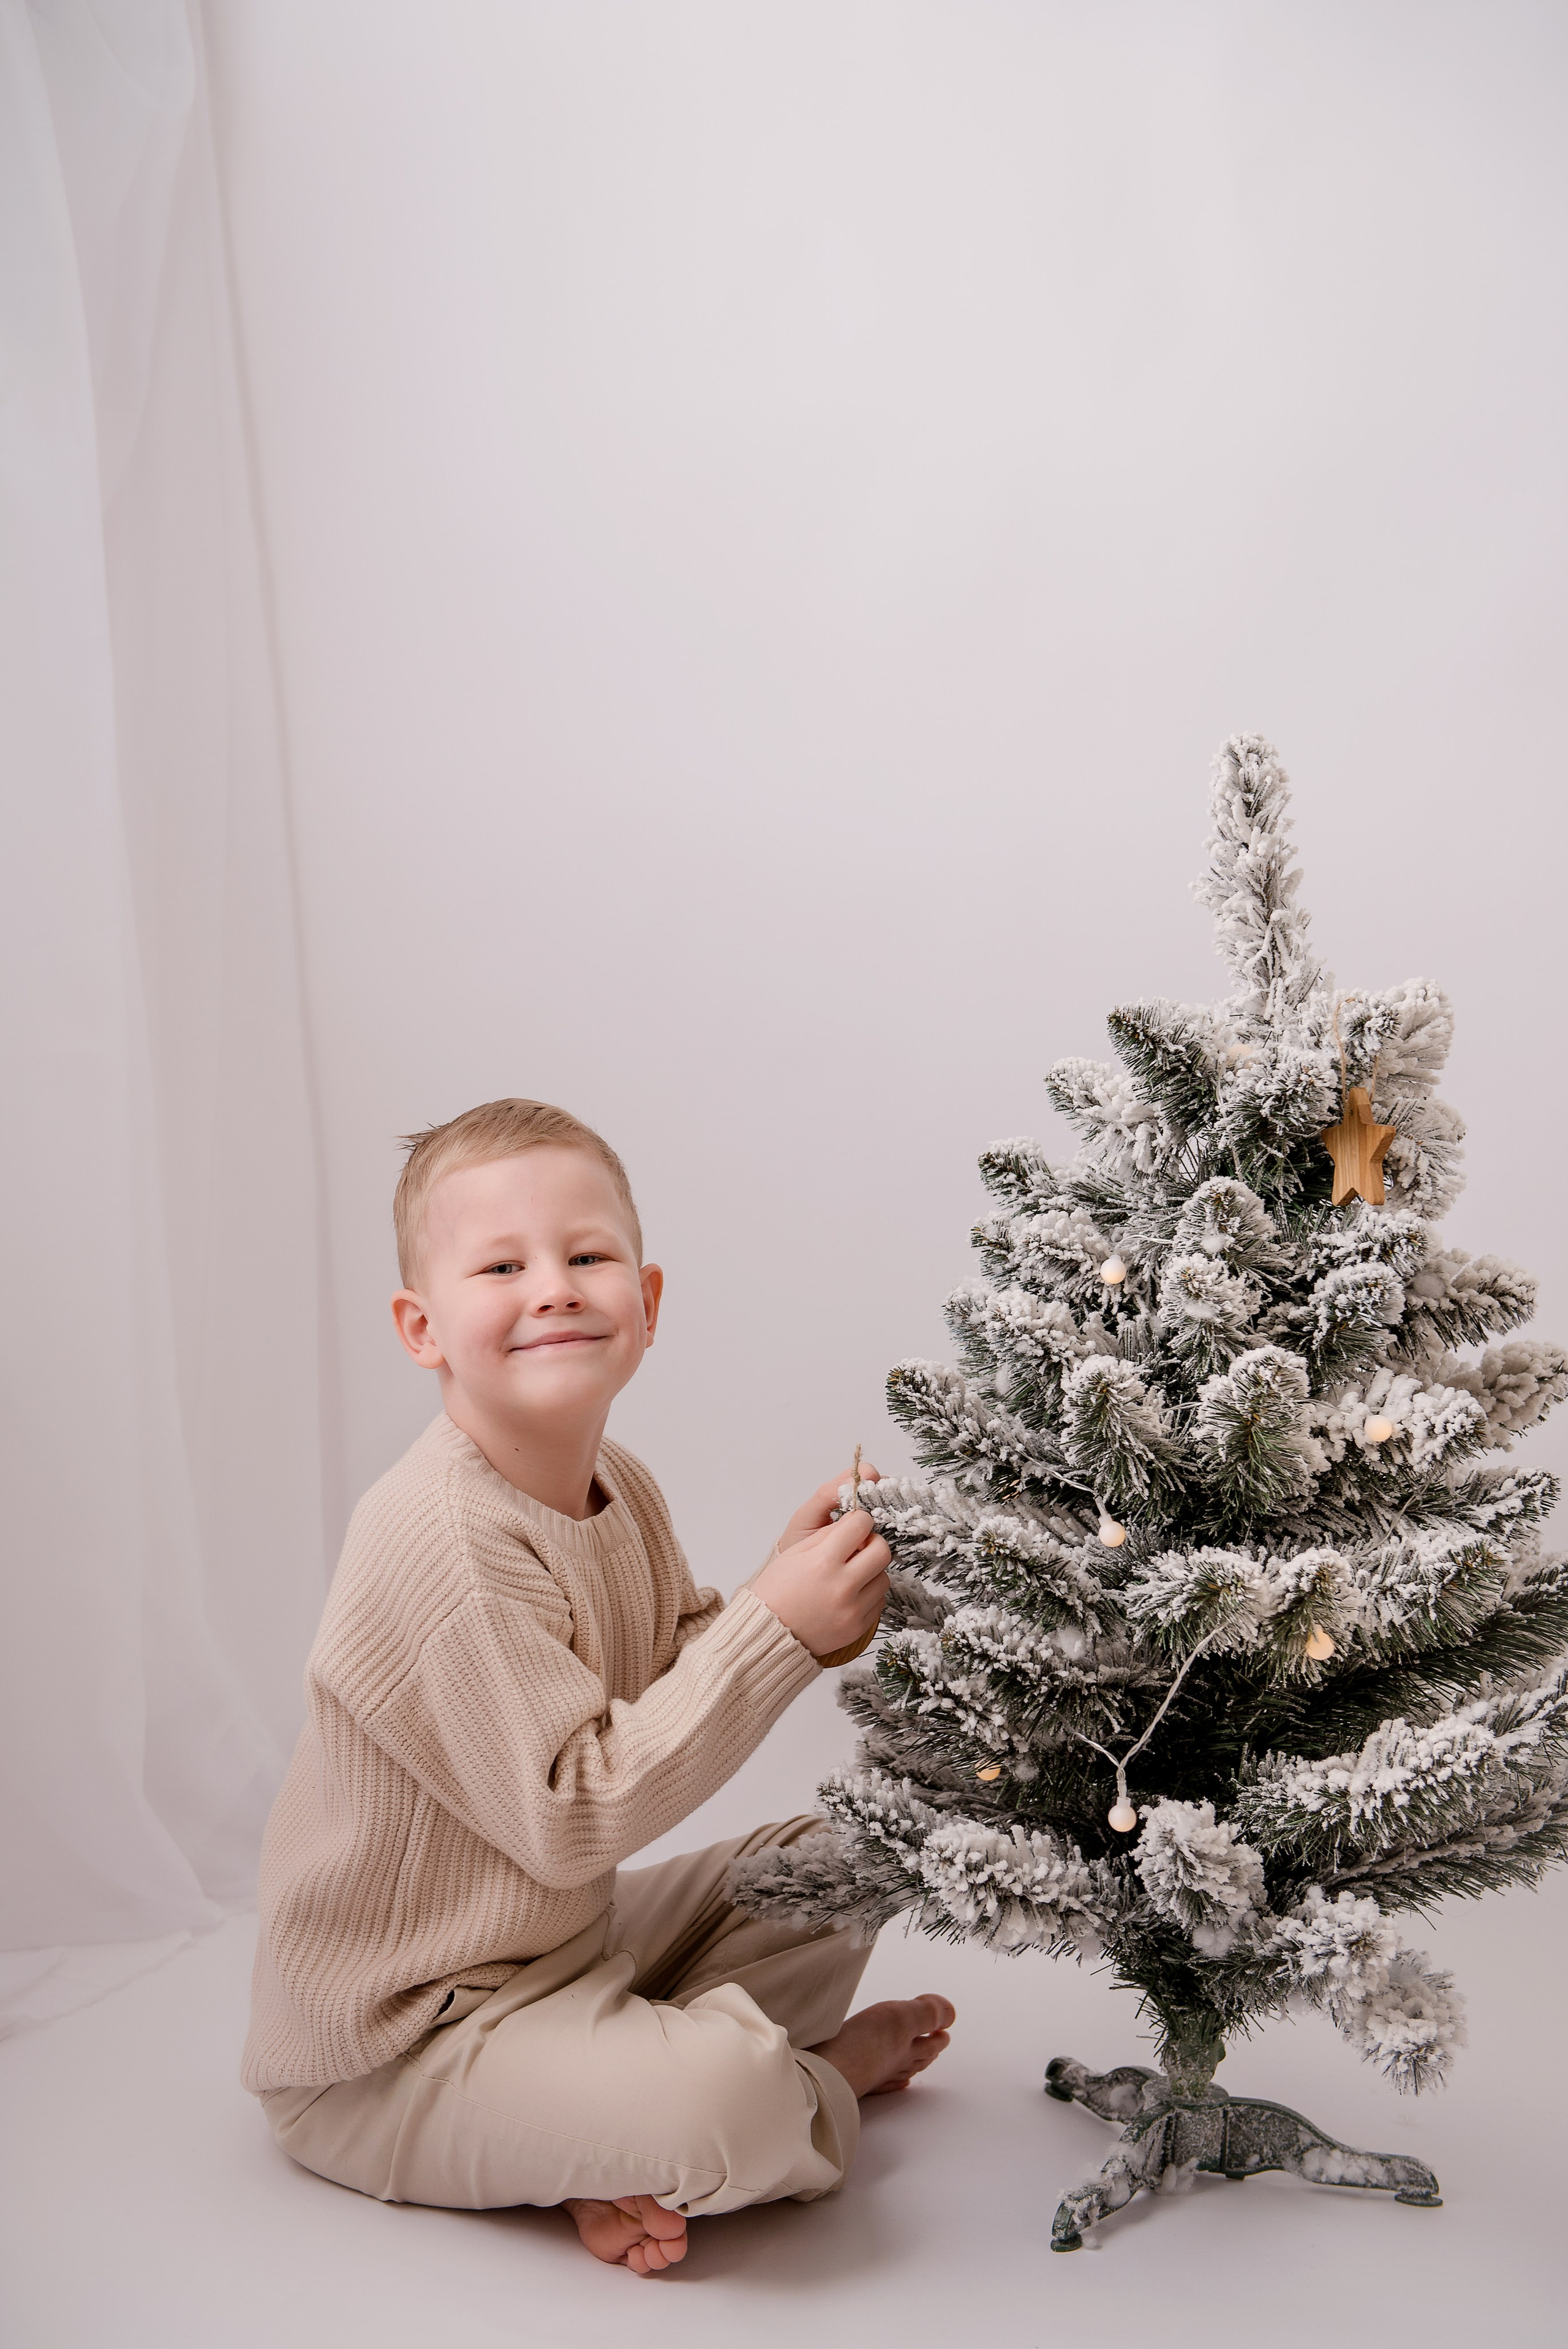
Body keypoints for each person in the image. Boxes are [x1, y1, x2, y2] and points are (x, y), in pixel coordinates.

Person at [243, 1098, 955, 2276]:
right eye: (502, 1267)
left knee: (848, 1859)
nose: (554, 1290)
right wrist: (777, 1628)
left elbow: (672, 1672)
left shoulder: (617, 1482)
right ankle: (796, 2085)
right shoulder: (439, 1535)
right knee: (730, 2103)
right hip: (399, 2043)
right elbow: (571, 1813)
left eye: (586, 1257)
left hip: (563, 1945)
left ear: (648, 1302)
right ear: (422, 1328)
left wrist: (790, 1601)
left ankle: (590, 2130)